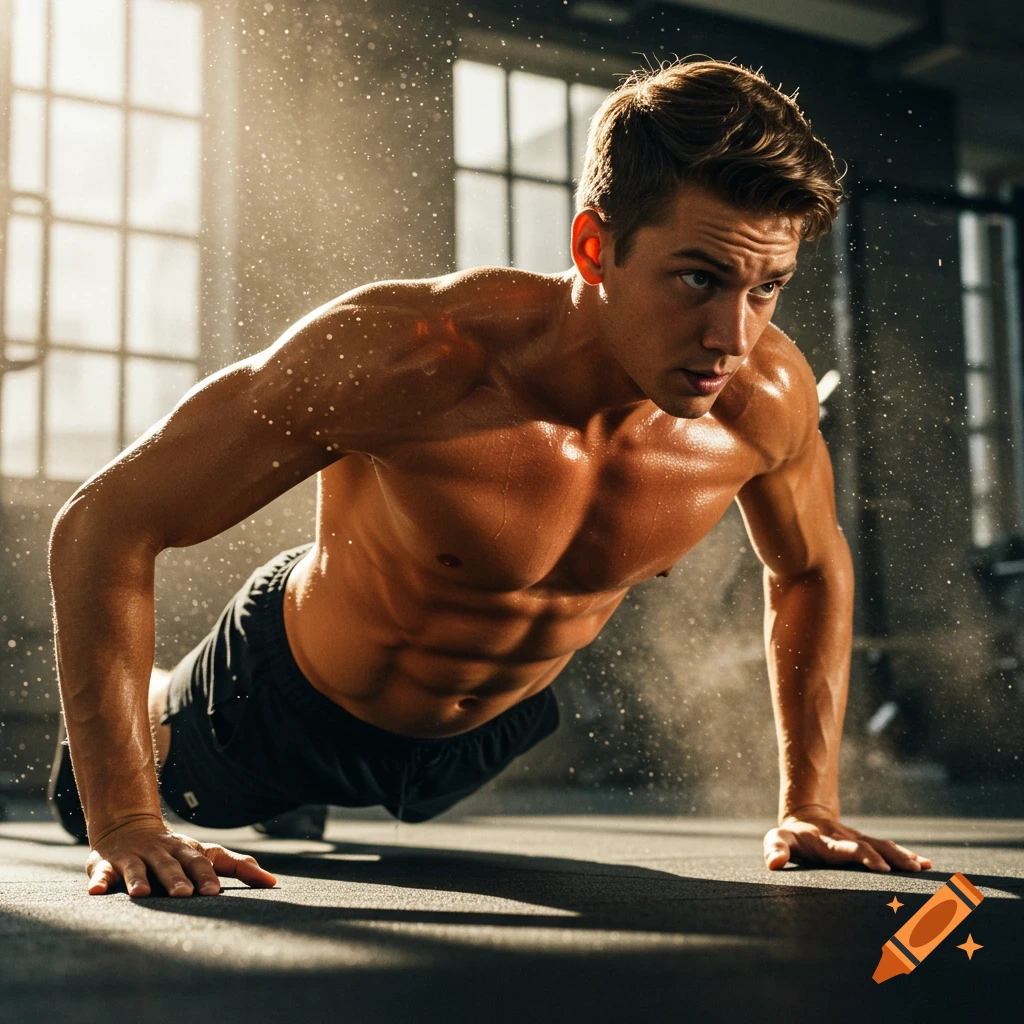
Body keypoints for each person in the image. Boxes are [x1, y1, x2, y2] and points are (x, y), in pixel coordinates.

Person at [47, 58, 932, 898]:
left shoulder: (763, 402)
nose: (731, 338)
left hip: (483, 741)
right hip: (284, 707)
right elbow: (105, 521)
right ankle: (168, 699)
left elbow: (811, 567)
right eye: (697, 278)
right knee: (83, 806)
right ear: (594, 247)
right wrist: (125, 820)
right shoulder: (410, 358)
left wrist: (810, 806)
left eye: (767, 287)